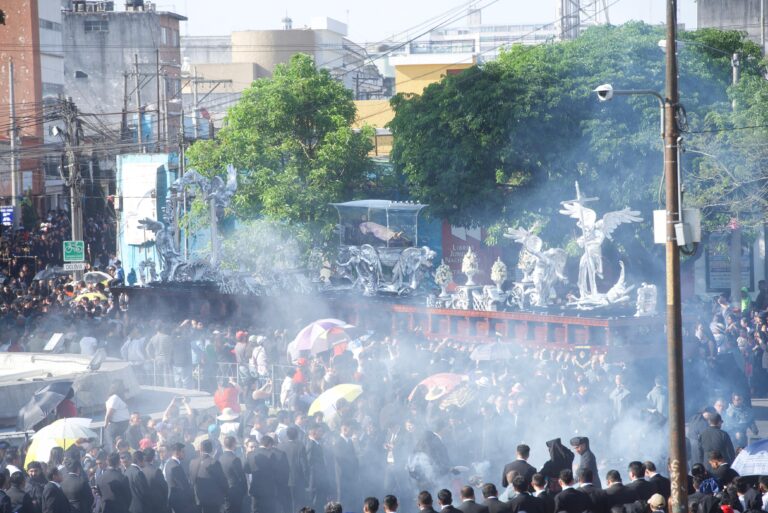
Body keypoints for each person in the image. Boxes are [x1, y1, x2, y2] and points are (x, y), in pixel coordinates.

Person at [189, 439, 228, 513]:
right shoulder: (214, 463)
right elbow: (222, 481)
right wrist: (226, 494)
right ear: (212, 449)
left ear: (200, 449)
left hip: (197, 500)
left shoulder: (192, 462)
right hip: (211, 502)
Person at [278, 426, 308, 513]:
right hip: (297, 480)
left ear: (287, 435)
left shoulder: (280, 446)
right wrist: (306, 480)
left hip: (283, 479)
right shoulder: (300, 446)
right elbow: (304, 465)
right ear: (297, 435)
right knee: (298, 503)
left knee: (286, 502)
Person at [164, 443, 195, 513]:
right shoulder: (175, 466)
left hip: (175, 500)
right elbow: (183, 486)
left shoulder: (169, 463)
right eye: (183, 451)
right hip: (180, 502)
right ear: (177, 452)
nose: (184, 453)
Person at [219, 436, 247, 513]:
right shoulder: (235, 459)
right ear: (234, 444)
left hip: (224, 490)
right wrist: (245, 491)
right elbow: (241, 477)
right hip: (235, 492)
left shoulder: (220, 458)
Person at [307, 424, 330, 512]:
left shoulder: (317, 443)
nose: (322, 433)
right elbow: (309, 462)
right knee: (315, 502)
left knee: (321, 500)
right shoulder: (311, 444)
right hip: (315, 479)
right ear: (314, 433)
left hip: (320, 477)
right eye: (320, 431)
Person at [140, 448, 168, 513]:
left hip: (146, 505)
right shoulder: (156, 471)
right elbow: (164, 487)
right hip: (158, 504)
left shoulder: (139, 470)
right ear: (153, 457)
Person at [104, 381, 130, 449]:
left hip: (120, 424)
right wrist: (106, 424)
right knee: (113, 442)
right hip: (117, 424)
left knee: (118, 441)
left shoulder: (117, 398)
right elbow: (109, 413)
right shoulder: (114, 398)